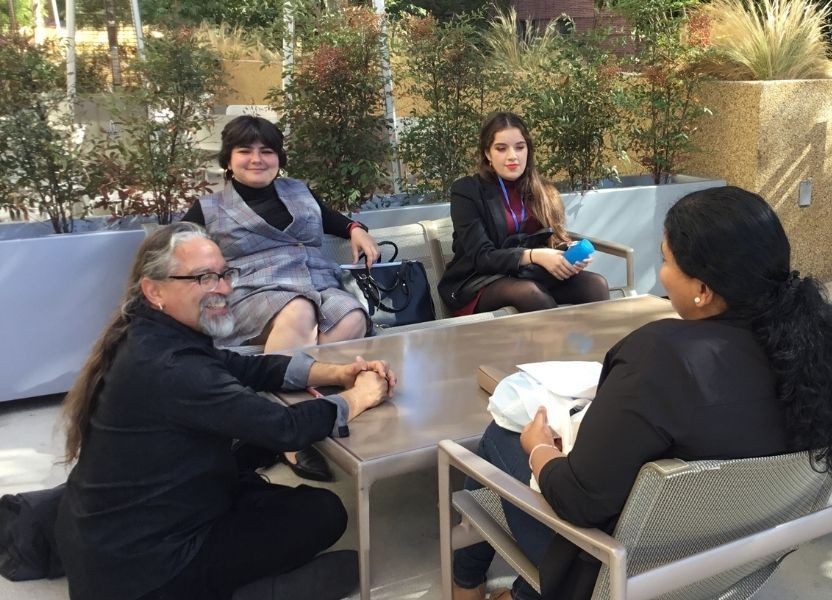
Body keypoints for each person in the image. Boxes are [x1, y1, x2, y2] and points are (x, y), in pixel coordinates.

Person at [451, 186, 832, 600]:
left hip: (622, 575)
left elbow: (580, 503)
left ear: (702, 289)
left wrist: (540, 449)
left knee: (497, 437)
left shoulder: (665, 358)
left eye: (667, 261)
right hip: (745, 556)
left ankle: (465, 589)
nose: (663, 274)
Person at [54, 223, 396, 600]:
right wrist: (360, 397)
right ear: (154, 290)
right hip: (150, 572)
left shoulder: (152, 335)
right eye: (202, 277)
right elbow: (284, 428)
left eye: (223, 274)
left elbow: (244, 366)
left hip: (121, 540)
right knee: (324, 514)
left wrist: (336, 372)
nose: (222, 288)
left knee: (263, 484)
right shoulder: (171, 367)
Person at [182, 115, 379, 481]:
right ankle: (287, 436)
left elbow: (332, 219)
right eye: (245, 151)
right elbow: (176, 249)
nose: (257, 159)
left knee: (353, 315)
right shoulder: (209, 209)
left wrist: (356, 230)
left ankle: (273, 413)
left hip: (317, 282)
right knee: (298, 310)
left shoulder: (299, 190)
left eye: (266, 151)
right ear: (228, 159)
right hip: (255, 292)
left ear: (278, 158)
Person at [438, 112, 610, 316]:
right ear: (487, 153)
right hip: (479, 281)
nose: (512, 156)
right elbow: (481, 256)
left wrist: (566, 252)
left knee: (595, 285)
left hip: (528, 274)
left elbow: (547, 240)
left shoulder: (540, 190)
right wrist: (535, 255)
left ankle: (599, 348)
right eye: (501, 148)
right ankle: (556, 347)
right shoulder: (467, 191)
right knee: (531, 294)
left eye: (520, 147)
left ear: (528, 150)